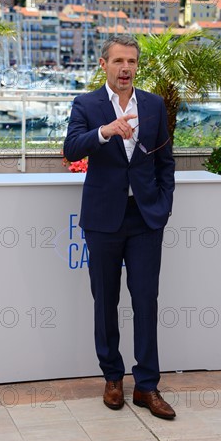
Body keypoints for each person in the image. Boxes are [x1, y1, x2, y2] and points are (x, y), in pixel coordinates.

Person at [63, 34, 176, 420]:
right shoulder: (87, 104)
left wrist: (163, 205)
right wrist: (106, 131)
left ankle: (147, 386)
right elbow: (72, 148)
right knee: (105, 301)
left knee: (146, 302)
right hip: (103, 219)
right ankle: (113, 377)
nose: (125, 68)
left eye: (131, 62)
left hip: (145, 218)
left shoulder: (155, 105)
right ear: (104, 64)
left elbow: (166, 160)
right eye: (118, 61)